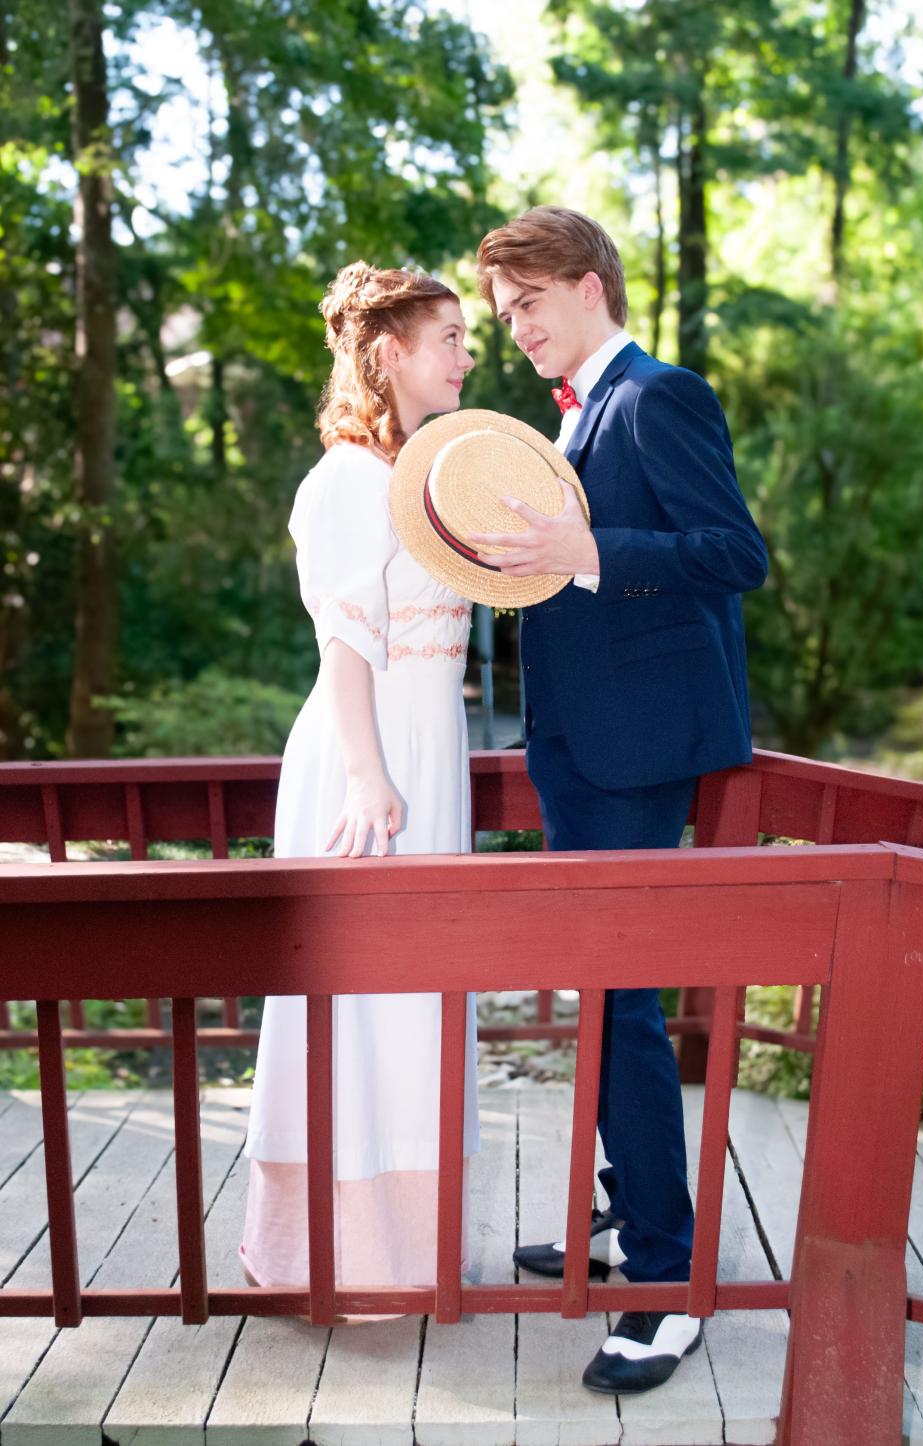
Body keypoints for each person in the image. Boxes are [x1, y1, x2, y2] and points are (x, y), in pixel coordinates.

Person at [473, 207, 768, 1392]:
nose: (516, 329)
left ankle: (663, 1284)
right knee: (600, 1005)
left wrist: (586, 547)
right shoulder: (580, 415)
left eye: (528, 304)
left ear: (590, 285)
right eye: (502, 316)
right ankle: (621, 1210)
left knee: (622, 1011)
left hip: (639, 755)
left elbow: (732, 552)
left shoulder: (658, 395)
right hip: (575, 751)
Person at [240, 262, 480, 1318]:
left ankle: (405, 1256)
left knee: (417, 1001)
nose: (467, 357)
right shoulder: (346, 478)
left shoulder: (423, 472)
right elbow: (345, 640)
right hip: (369, 759)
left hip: (429, 743)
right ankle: (332, 1259)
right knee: (359, 1006)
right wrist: (374, 779)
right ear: (389, 354)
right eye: (450, 339)